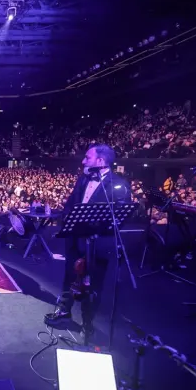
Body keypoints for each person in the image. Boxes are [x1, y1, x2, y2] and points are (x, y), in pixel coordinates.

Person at [44, 144, 131, 343]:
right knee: (69, 277)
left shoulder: (118, 185)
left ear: (100, 161)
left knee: (92, 286)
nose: (83, 161)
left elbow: (119, 217)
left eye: (87, 157)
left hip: (98, 243)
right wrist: (68, 220)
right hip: (75, 239)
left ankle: (87, 323)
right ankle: (64, 311)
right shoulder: (83, 179)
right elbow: (70, 204)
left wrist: (91, 224)